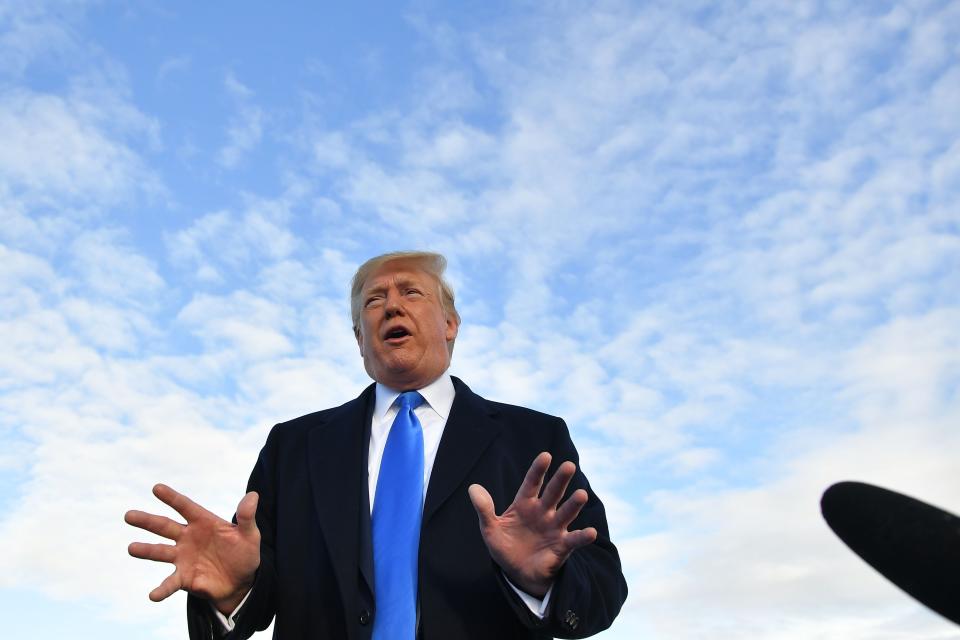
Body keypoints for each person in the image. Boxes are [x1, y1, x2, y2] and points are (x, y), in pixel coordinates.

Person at [126, 251, 627, 639]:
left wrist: (541, 581)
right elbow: (265, 586)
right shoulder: (293, 446)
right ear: (359, 338)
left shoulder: (533, 438)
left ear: (450, 325)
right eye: (373, 299)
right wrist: (237, 588)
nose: (391, 304)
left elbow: (602, 589)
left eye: (411, 292)